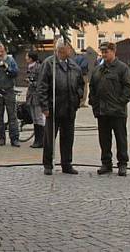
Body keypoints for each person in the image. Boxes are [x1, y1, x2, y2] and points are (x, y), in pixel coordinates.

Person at [38, 38, 84, 175]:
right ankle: (48, 164)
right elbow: (42, 87)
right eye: (64, 50)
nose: (67, 52)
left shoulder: (74, 65)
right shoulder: (49, 64)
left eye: (68, 49)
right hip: (53, 108)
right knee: (49, 138)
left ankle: (67, 163)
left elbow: (80, 83)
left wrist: (78, 97)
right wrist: (44, 106)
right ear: (59, 50)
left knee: (68, 138)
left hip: (70, 107)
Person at [89, 42, 130, 176]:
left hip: (117, 112)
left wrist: (120, 102)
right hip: (102, 112)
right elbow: (92, 87)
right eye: (102, 52)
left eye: (106, 52)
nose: (104, 54)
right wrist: (94, 104)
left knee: (121, 139)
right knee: (104, 139)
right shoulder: (98, 69)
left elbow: (129, 88)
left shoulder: (122, 68)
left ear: (113, 52)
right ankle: (106, 163)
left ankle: (122, 164)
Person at [25, 51, 45, 149]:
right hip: (31, 95)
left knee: (38, 117)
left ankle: (41, 140)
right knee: (34, 118)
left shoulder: (38, 67)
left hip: (37, 95)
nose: (26, 58)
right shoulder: (29, 67)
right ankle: (37, 140)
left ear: (31, 58)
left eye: (27, 56)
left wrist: (32, 82)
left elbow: (42, 82)